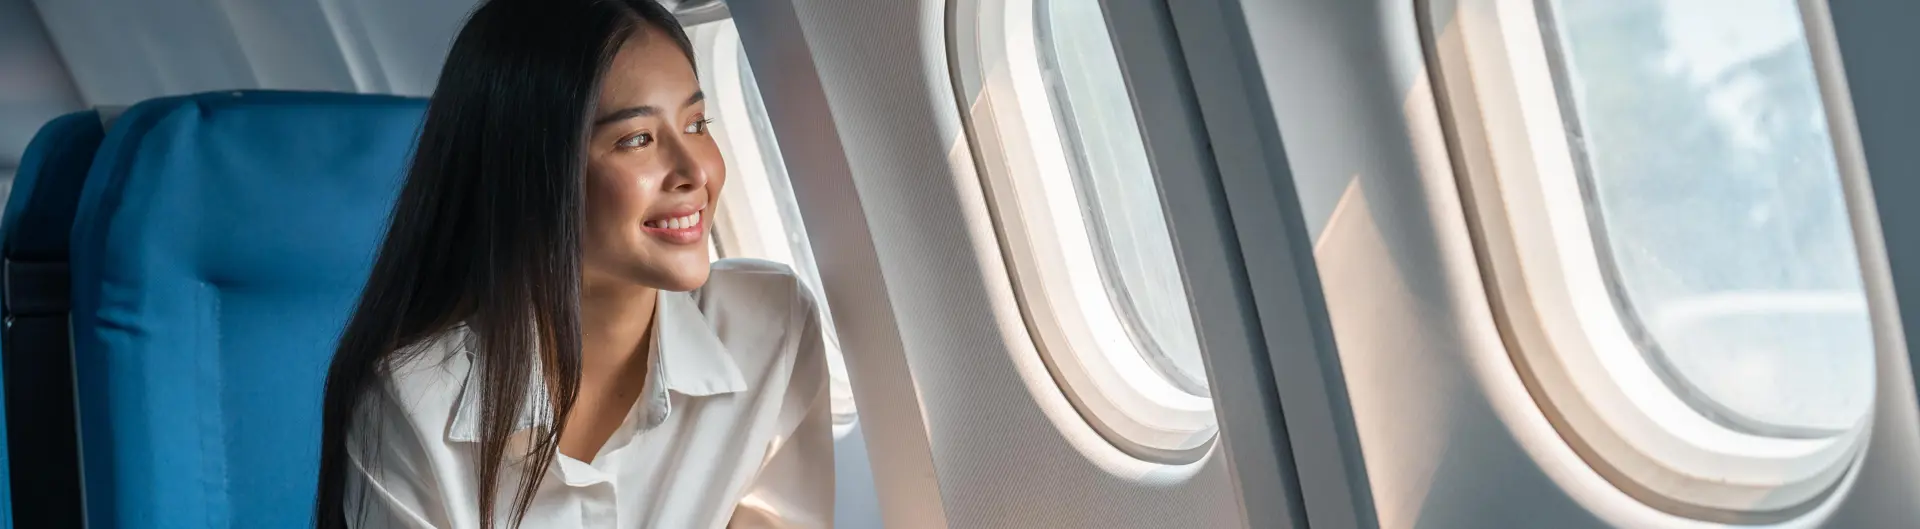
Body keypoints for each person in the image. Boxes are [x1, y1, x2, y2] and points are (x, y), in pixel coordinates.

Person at [309, 0, 832, 527]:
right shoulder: (412, 402)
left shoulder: (771, 323)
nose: (695, 170)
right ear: (533, 177)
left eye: (697, 124)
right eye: (636, 140)